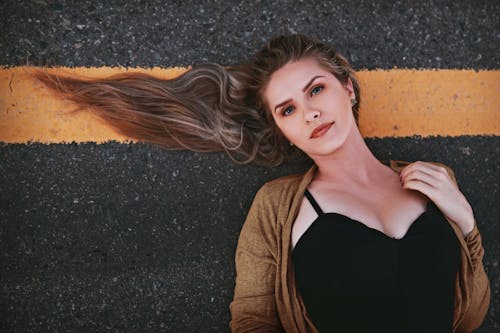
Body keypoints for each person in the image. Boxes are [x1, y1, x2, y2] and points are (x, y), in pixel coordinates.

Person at [35, 34, 490, 332]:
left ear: (347, 88)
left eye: (316, 90)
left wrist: (466, 223)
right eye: (287, 109)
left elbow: (468, 316)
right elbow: (252, 320)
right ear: (281, 129)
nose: (309, 112)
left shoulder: (435, 181)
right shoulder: (277, 207)